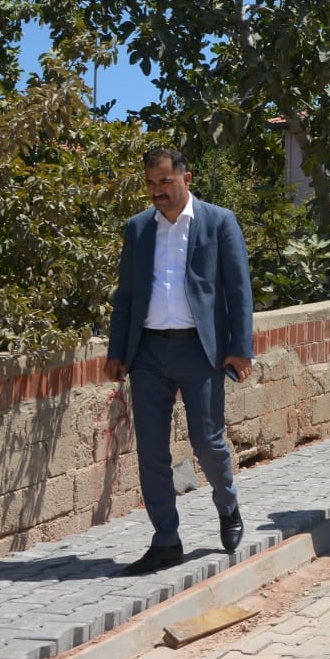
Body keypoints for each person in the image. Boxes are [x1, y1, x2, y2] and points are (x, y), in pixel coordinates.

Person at [104, 147, 255, 576]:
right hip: (148, 351)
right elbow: (126, 296)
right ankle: (166, 540)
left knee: (207, 441)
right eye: (151, 184)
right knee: (151, 451)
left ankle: (227, 505)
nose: (157, 191)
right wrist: (117, 351)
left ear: (186, 180)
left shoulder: (217, 221)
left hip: (199, 349)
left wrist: (240, 345)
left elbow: (239, 289)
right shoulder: (137, 229)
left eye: (165, 182)